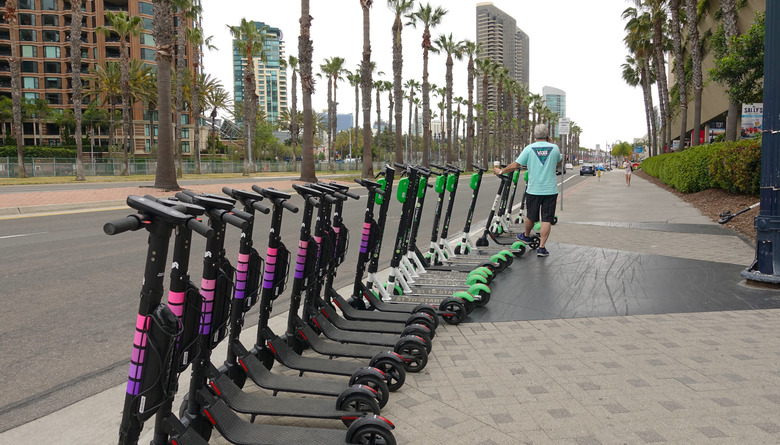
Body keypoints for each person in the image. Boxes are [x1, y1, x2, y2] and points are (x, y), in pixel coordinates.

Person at [493, 123, 561, 257]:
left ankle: (527, 235)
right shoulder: (554, 148)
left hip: (534, 189)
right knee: (546, 219)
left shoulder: (529, 149)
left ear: (534, 135)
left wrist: (501, 170)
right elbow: (558, 161)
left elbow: (515, 165)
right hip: (550, 190)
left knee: (531, 215)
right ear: (547, 135)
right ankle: (542, 248)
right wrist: (551, 144)